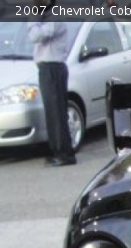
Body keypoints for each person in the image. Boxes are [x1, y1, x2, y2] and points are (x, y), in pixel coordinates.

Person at [27, 0, 76, 166]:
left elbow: (35, 36)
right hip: (46, 68)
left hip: (53, 68)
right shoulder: (45, 16)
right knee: (51, 112)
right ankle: (56, 150)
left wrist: (33, 18)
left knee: (57, 112)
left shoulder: (56, 15)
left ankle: (65, 154)